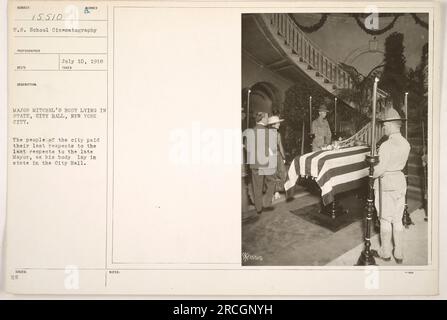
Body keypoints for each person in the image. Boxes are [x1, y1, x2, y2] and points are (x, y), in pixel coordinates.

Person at [371, 107, 410, 264]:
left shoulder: (387, 146)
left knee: (385, 219)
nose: (383, 127)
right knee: (398, 218)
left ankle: (385, 252)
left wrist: (371, 171)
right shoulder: (406, 144)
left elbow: (380, 170)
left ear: (393, 125)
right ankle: (399, 252)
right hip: (400, 182)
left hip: (385, 184)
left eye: (385, 125)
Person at [246, 112, 277, 214]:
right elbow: (272, 148)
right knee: (271, 181)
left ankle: (258, 208)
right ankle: (267, 202)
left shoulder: (250, 131)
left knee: (257, 186)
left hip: (254, 163)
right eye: (267, 117)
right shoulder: (268, 132)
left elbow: (247, 147)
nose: (268, 119)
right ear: (262, 119)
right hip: (265, 163)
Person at [267, 115, 287, 200]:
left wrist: (283, 157)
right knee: (273, 174)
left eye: (279, 122)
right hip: (270, 156)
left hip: (277, 155)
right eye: (278, 123)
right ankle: (273, 192)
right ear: (273, 124)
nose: (279, 124)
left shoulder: (278, 134)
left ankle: (276, 190)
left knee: (282, 173)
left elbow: (280, 146)